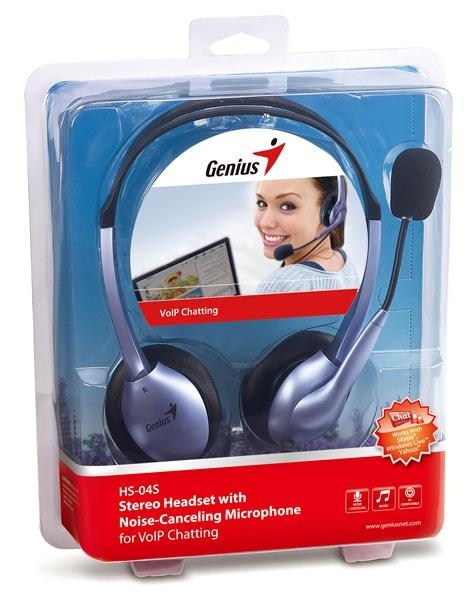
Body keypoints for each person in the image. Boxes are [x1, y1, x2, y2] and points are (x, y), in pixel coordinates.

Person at [254, 177, 360, 293]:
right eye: (261, 203)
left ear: (330, 213)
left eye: (287, 206)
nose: (265, 223)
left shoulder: (281, 284)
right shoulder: (346, 265)